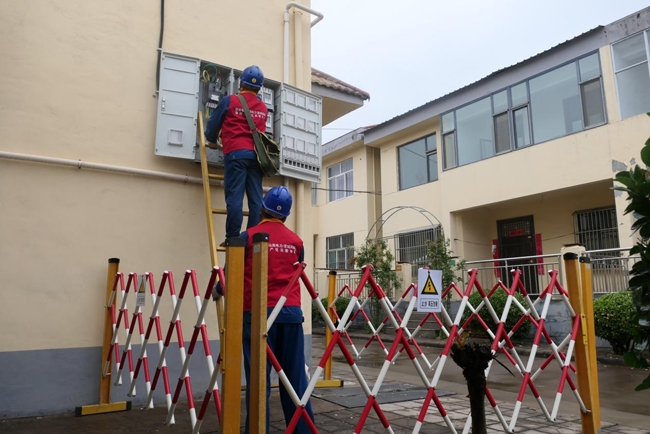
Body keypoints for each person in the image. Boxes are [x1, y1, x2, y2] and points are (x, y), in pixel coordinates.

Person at [240, 186, 315, 434]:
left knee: (259, 381)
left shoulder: (248, 237)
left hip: (259, 315)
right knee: (295, 380)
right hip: (291, 314)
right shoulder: (296, 242)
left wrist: (218, 289)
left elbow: (233, 274)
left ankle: (258, 430)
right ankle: (302, 430)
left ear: (262, 208)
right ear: (286, 215)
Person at [205, 65, 268, 243]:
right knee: (256, 201)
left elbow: (212, 126)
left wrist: (211, 139)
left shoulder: (230, 101)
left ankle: (233, 237)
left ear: (241, 83)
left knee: (235, 198)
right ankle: (251, 238)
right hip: (257, 158)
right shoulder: (263, 108)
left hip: (236, 155)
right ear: (259, 87)